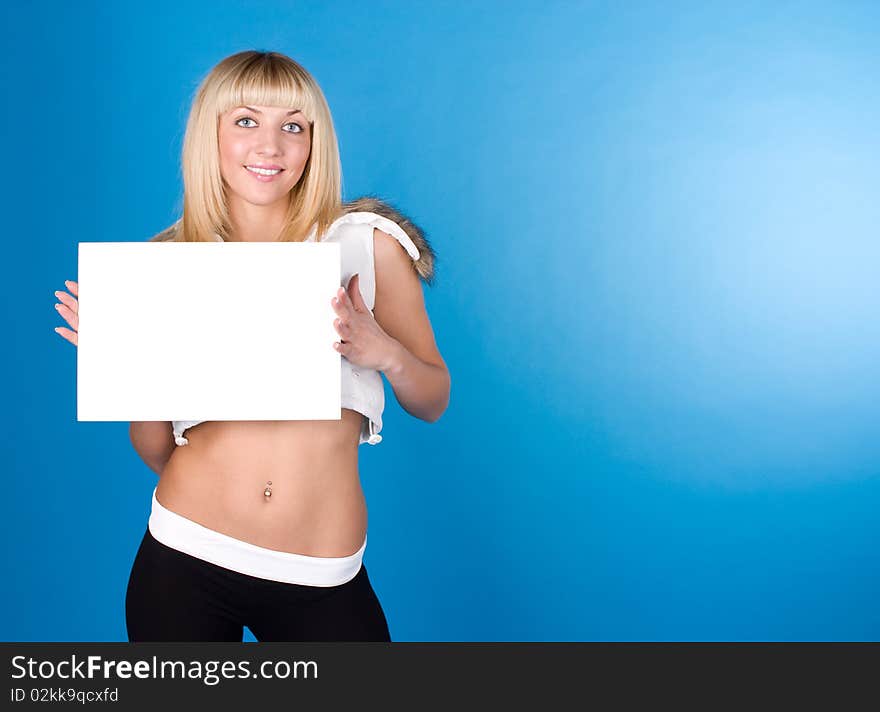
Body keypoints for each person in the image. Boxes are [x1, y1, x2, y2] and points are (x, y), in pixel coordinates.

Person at [52, 50, 450, 642]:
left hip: (321, 571)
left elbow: (433, 398)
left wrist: (383, 352)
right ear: (210, 134)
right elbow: (155, 445)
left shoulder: (365, 244)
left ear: (315, 141)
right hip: (186, 553)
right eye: (245, 121)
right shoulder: (169, 265)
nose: (271, 146)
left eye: (293, 125)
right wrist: (133, 365)